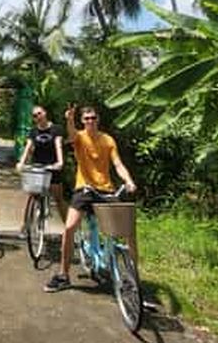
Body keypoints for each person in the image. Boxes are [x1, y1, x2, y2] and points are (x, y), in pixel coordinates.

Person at [44, 104, 136, 293]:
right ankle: (63, 275)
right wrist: (69, 119)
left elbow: (117, 163)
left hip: (106, 191)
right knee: (69, 228)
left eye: (93, 118)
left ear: (98, 119)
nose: (90, 121)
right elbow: (71, 133)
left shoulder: (107, 140)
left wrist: (128, 180)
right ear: (82, 122)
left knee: (128, 231)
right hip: (84, 189)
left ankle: (134, 279)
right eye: (86, 119)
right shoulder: (80, 137)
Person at [16, 105, 67, 227]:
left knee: (58, 198)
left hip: (52, 167)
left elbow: (58, 145)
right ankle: (26, 226)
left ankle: (69, 228)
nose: (37, 117)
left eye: (39, 113)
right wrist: (21, 162)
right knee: (32, 195)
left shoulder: (56, 129)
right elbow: (28, 148)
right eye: (34, 116)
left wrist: (60, 162)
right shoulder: (33, 132)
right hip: (38, 167)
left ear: (45, 113)